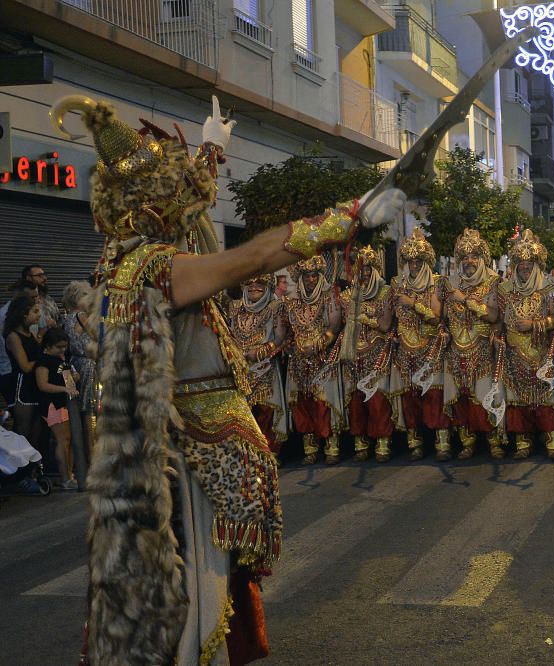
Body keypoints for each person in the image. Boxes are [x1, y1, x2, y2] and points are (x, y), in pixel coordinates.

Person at [50, 93, 405, 663]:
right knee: (192, 589)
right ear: (147, 211)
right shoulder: (151, 267)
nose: (187, 204)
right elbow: (254, 259)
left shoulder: (123, 256)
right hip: (184, 458)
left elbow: (190, 202)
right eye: (170, 195)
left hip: (188, 444)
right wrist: (349, 218)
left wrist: (212, 148)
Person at [497, 230, 554, 459]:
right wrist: (497, 336)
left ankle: (552, 439)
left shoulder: (548, 288)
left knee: (546, 396)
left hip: (541, 351)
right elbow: (498, 319)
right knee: (516, 398)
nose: (525, 268)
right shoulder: (505, 290)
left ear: (536, 265)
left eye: (529, 264)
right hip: (514, 354)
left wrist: (536, 323)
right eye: (521, 264)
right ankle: (522, 441)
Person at [441, 228, 504, 459]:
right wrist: (443, 331)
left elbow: (494, 315)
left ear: (483, 258)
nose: (469, 261)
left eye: (474, 256)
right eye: (465, 257)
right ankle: (467, 441)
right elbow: (443, 317)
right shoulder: (450, 283)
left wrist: (465, 300)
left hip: (482, 349)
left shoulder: (494, 282)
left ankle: (493, 440)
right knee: (462, 396)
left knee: (486, 394)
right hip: (456, 350)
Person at [389, 228, 450, 461]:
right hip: (405, 349)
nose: (413, 266)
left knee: (434, 395)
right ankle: (415, 443)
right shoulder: (397, 283)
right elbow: (391, 317)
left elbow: (436, 317)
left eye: (418, 261)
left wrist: (413, 303)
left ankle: (442, 442)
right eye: (410, 261)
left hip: (430, 349)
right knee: (410, 396)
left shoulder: (436, 283)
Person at [285, 255, 343, 464]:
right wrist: (291, 345)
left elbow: (334, 327)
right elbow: (286, 332)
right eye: (307, 276)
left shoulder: (329, 297)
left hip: (323, 357)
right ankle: (309, 448)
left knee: (323, 402)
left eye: (314, 275)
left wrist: (319, 344)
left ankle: (331, 446)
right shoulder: (291, 302)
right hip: (298, 359)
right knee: (301, 403)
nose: (311, 280)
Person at [341, 246, 396, 462]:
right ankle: (359, 441)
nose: (364, 274)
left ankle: (383, 440)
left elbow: (384, 325)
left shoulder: (386, 292)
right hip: (353, 355)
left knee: (378, 399)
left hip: (377, 354)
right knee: (355, 401)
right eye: (360, 270)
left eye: (368, 270)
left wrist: (364, 318)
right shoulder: (348, 295)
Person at [230, 273, 288, 455]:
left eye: (260, 283)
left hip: (266, 367)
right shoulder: (235, 307)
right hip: (240, 369)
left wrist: (262, 351)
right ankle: (248, 454)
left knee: (266, 411)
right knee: (244, 415)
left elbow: (280, 338)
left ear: (268, 285)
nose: (254, 286)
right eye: (250, 282)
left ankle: (268, 453)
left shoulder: (275, 306)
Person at [34, 327, 80, 490]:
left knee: (68, 440)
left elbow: (68, 382)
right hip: (52, 405)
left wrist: (73, 378)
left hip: (63, 403)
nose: (63, 350)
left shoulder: (61, 360)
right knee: (62, 441)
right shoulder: (43, 361)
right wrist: (64, 388)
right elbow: (43, 385)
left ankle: (70, 475)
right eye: (59, 347)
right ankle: (65, 477)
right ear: (48, 345)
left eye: (64, 346)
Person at [63, 280, 97, 484]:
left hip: (78, 366)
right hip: (90, 367)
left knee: (85, 415)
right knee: (92, 416)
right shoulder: (82, 317)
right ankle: (94, 461)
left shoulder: (66, 319)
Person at [3, 294, 42, 448]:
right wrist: (43, 360)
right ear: (23, 314)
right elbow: (24, 365)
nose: (39, 314)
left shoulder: (30, 333)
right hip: (23, 387)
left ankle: (32, 469)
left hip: (35, 384)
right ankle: (17, 469)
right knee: (23, 430)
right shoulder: (13, 336)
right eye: (35, 311)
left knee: (36, 431)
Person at [21, 265, 61, 335]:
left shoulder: (48, 299)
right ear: (28, 278)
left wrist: (54, 325)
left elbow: (59, 320)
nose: (45, 278)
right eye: (39, 275)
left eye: (44, 275)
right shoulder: (23, 303)